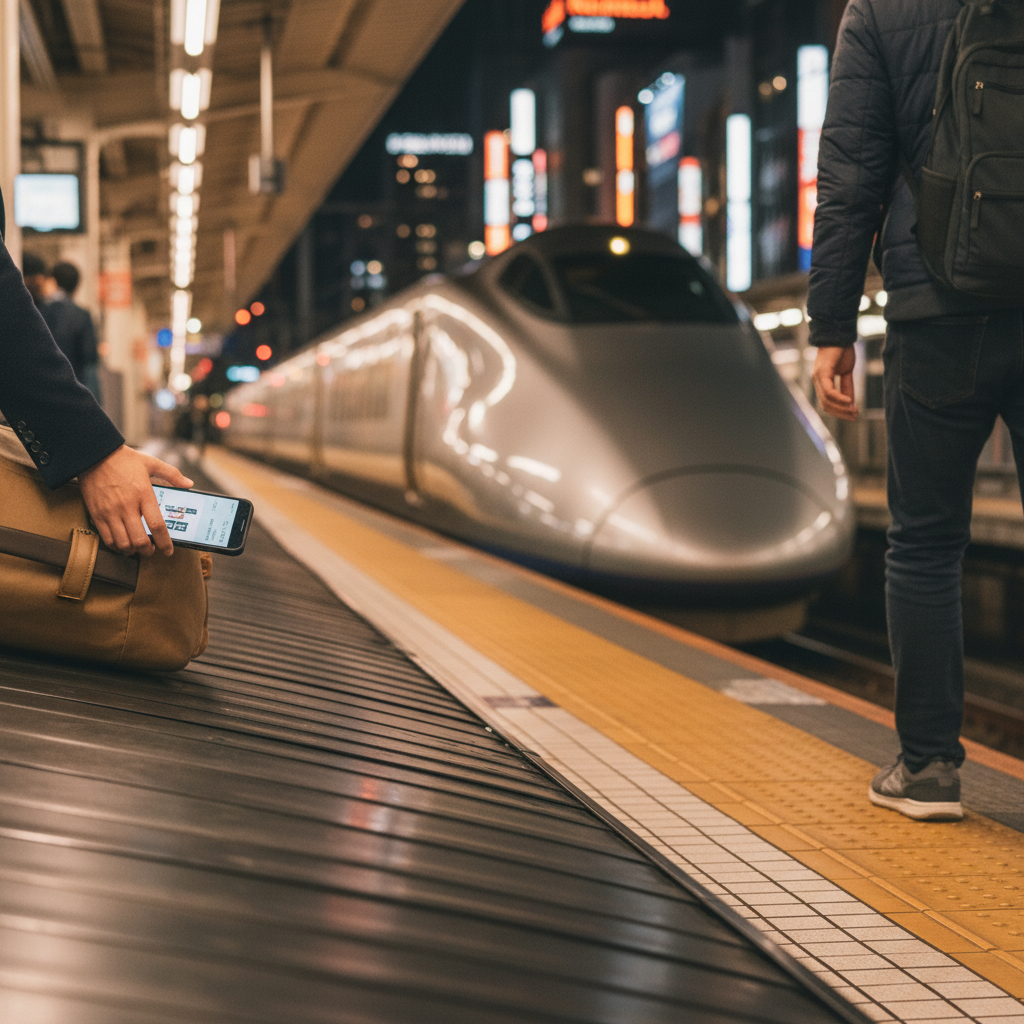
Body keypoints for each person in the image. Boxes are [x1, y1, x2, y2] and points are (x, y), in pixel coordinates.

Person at [807, 0, 1021, 821]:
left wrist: (832, 328)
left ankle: (928, 768)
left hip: (937, 312)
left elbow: (851, 176)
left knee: (926, 544)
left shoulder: (881, 12)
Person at [1, 189, 191, 557]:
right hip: (50, 406)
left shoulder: (40, 309)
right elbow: (87, 367)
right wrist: (98, 447)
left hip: (29, 410)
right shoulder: (81, 316)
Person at [38, 260, 103, 403]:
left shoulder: (39, 311)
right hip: (72, 391)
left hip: (42, 390)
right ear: (76, 286)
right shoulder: (82, 315)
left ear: (53, 281)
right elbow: (89, 357)